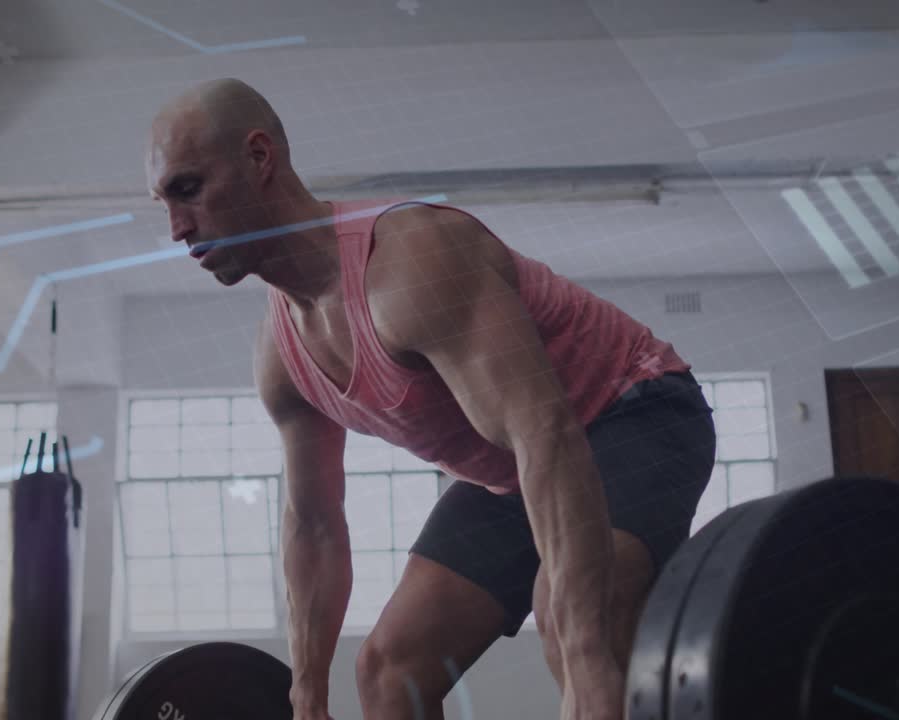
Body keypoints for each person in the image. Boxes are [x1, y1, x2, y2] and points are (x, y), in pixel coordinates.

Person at [146, 77, 716, 720]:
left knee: (578, 621)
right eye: (163, 203)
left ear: (258, 157)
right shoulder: (281, 355)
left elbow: (544, 430)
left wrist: (587, 662)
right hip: (511, 470)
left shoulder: (411, 261)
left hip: (632, 410)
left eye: (188, 189)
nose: (176, 228)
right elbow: (314, 523)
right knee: (389, 670)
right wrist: (306, 694)